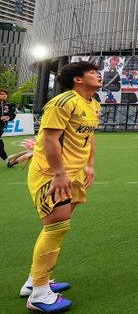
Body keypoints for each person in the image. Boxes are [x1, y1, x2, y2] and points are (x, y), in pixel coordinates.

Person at [19, 61, 102, 312]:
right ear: (78, 79)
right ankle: (39, 294)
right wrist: (58, 173)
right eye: (92, 72)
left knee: (59, 226)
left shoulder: (93, 104)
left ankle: (35, 280)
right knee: (57, 226)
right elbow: (49, 138)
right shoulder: (62, 102)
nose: (98, 75)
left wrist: (89, 166)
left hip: (74, 173)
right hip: (52, 174)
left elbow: (88, 137)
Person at [1, 88, 17, 165]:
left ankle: (8, 162)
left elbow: (13, 115)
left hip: (1, 128)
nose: (4, 95)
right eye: (2, 94)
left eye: (5, 94)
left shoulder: (9, 105)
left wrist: (9, 118)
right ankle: (8, 162)